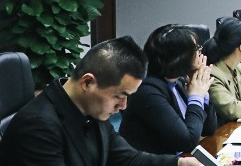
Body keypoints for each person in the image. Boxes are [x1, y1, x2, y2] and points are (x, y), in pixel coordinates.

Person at [0, 36, 202, 166]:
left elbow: (125, 157)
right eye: (119, 95)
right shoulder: (38, 127)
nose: (123, 106)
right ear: (88, 82)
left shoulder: (90, 108)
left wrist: (178, 163)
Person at [119, 25, 218, 155]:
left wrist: (202, 91)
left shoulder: (179, 82)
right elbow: (187, 142)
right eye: (196, 49)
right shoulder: (147, 91)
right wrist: (196, 96)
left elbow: (209, 129)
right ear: (179, 57)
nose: (200, 52)